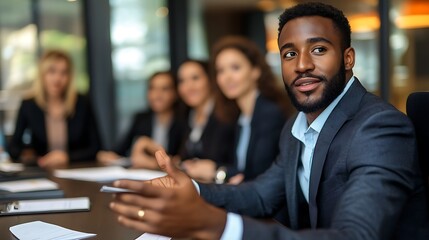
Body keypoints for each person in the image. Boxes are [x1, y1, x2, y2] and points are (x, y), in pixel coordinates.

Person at [109, 2, 428, 240]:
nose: (302, 65)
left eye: (318, 49)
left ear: (348, 58)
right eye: (289, 54)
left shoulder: (380, 127)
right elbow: (260, 195)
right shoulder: (295, 128)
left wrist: (217, 224)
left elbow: (355, 236)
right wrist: (190, 187)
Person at [182, 37, 289, 183]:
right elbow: (242, 169)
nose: (227, 77)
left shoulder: (269, 114)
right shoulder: (241, 116)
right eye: (221, 71)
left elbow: (260, 175)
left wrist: (217, 171)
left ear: (255, 71)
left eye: (235, 68)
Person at [9, 50, 100, 169]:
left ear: (70, 77)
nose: (57, 78)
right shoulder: (29, 104)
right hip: (42, 170)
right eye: (52, 72)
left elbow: (96, 148)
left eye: (64, 73)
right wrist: (30, 155)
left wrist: (67, 157)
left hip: (77, 169)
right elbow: (13, 147)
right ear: (42, 75)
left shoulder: (82, 103)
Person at [96, 71, 182, 169]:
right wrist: (109, 155)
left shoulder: (183, 121)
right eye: (152, 88)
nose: (157, 95)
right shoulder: (141, 118)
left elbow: (179, 159)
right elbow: (121, 149)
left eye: (164, 89)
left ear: (175, 93)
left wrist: (147, 145)